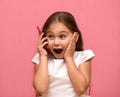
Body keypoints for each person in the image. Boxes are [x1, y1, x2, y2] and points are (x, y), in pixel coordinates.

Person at [32, 11, 95, 97]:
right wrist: (43, 56)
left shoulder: (82, 57)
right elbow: (40, 89)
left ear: (75, 37)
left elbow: (81, 88)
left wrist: (69, 58)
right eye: (51, 36)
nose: (56, 42)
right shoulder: (41, 59)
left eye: (62, 36)